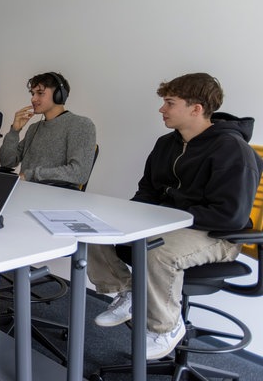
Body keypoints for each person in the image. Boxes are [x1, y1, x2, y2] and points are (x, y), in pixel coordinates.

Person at [87, 73, 263, 360]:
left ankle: (164, 327)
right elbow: (147, 191)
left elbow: (229, 216)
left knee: (156, 249)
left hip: (218, 235)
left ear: (196, 108)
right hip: (170, 225)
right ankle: (128, 291)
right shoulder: (165, 144)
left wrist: (166, 218)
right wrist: (130, 217)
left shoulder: (233, 150)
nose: (162, 109)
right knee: (95, 227)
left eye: (170, 103)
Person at [0, 72, 97, 348]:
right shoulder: (36, 128)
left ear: (59, 95)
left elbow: (79, 171)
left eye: (40, 93)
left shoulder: (81, 125)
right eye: (33, 93)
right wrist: (15, 130)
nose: (33, 98)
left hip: (55, 204)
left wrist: (31, 174)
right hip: (23, 196)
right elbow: (7, 160)